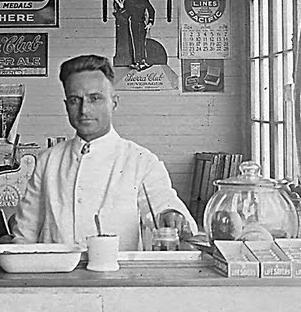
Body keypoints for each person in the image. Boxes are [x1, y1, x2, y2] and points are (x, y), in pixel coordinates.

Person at [12, 54, 196, 250]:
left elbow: (163, 203)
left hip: (118, 278)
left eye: (95, 98)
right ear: (66, 106)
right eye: (75, 100)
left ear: (114, 102)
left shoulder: (140, 160)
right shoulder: (48, 161)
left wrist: (171, 215)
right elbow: (26, 231)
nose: (84, 110)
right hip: (56, 275)